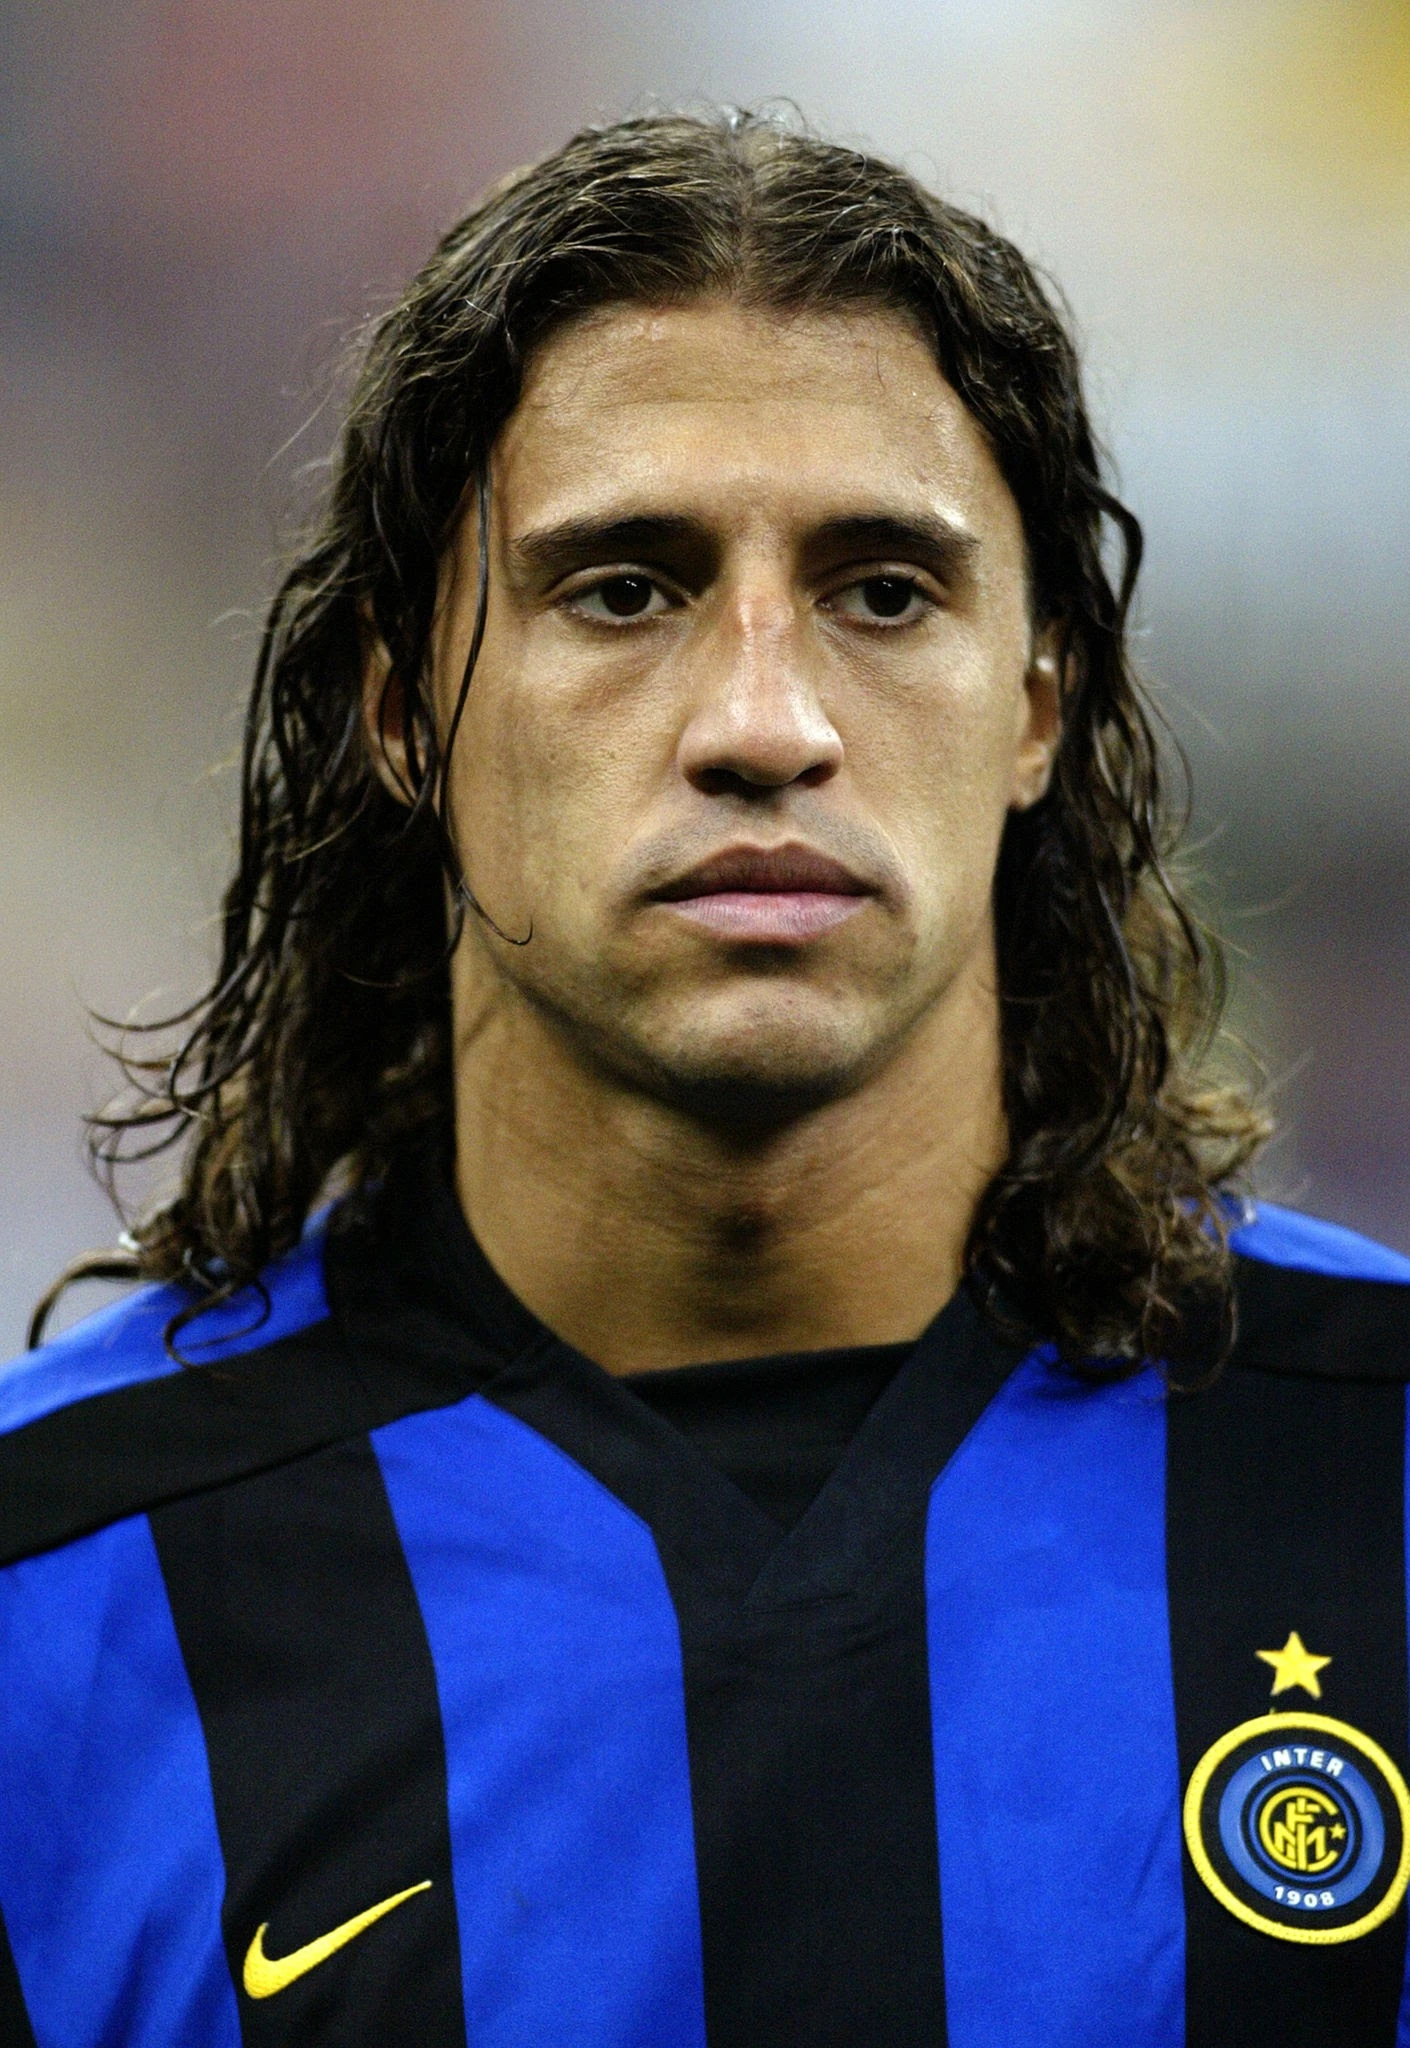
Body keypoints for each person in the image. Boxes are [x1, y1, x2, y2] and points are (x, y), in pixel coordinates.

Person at [1, 107, 1408, 2048]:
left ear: (1037, 706)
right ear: (403, 712)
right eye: (624, 588)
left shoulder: (1379, 1472)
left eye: (883, 591)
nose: (763, 720)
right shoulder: (52, 1601)